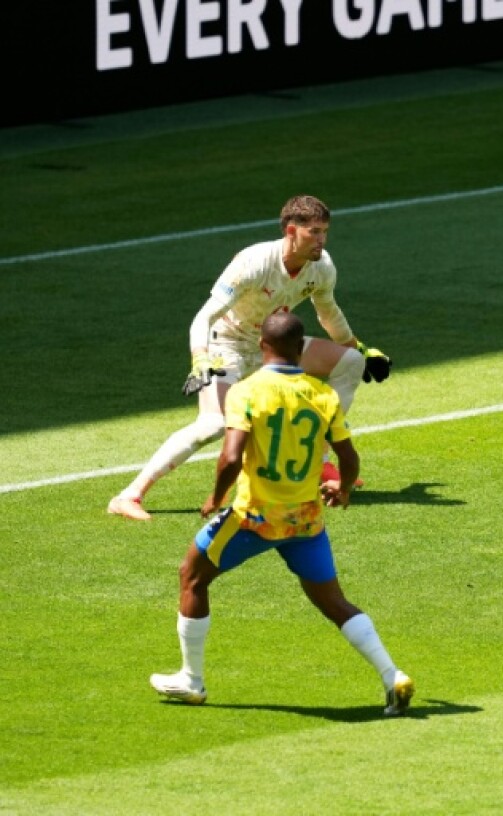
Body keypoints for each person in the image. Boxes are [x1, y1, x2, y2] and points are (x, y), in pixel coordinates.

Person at [149, 311, 414, 716]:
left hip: (253, 518)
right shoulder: (322, 394)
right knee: (334, 602)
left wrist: (215, 497)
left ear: (262, 346)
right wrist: (343, 488)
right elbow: (348, 456)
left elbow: (230, 457)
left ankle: (191, 679)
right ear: (301, 349)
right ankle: (392, 675)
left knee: (192, 575)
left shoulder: (246, 392)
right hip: (306, 521)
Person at [108, 194, 392, 521]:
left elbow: (328, 314)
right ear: (291, 230)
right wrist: (200, 359)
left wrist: (359, 347)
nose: (321, 240)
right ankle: (128, 496)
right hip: (226, 344)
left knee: (351, 362)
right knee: (213, 424)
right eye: (314, 232)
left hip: (273, 346)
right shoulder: (254, 262)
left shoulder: (322, 266)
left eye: (325, 231)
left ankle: (317, 461)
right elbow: (204, 317)